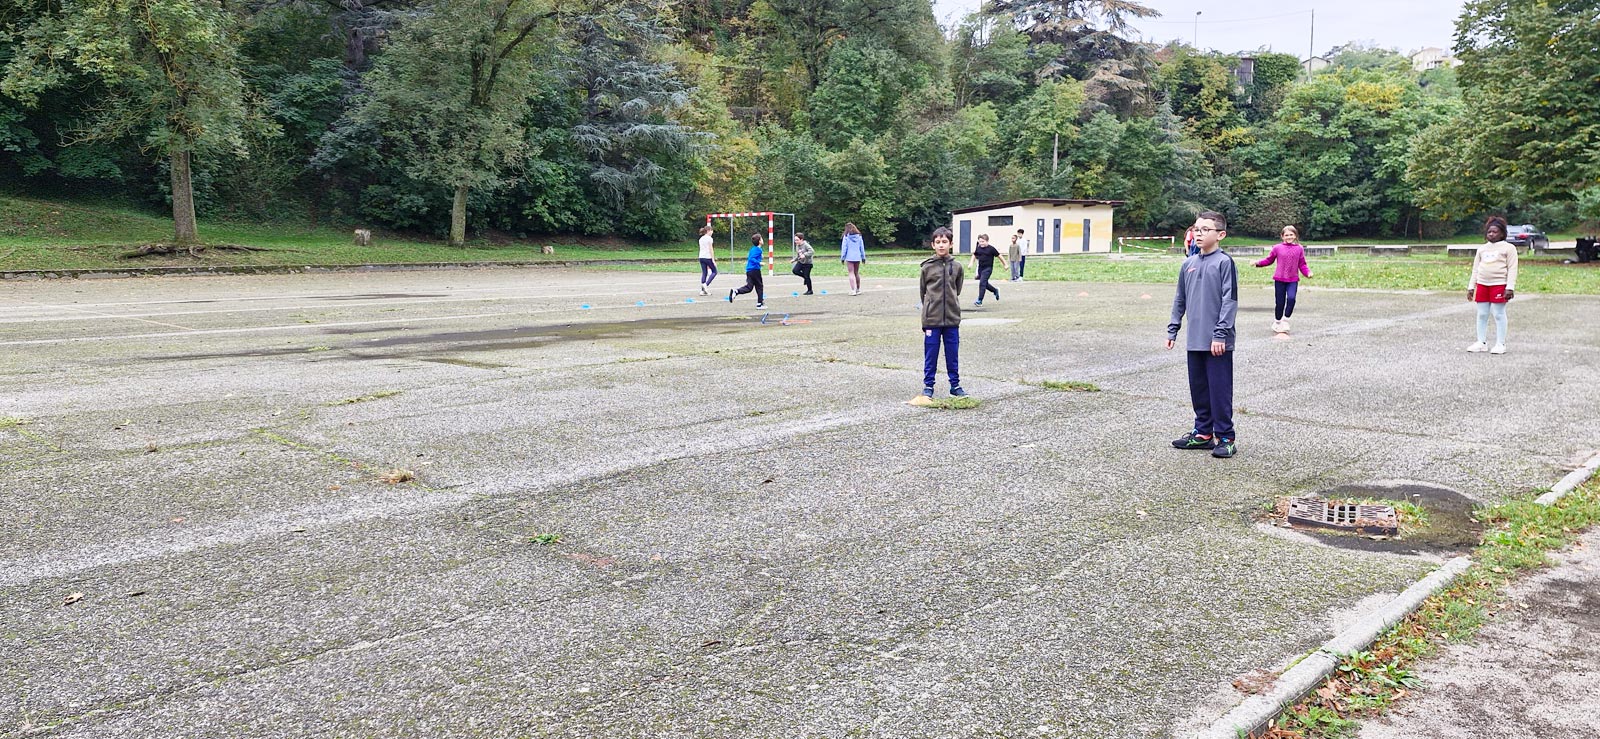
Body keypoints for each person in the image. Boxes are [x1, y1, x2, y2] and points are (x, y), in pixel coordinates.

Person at [1166, 210, 1239, 459]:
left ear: (1220, 235)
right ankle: (1203, 433)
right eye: (1196, 228)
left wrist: (1220, 334)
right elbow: (1180, 299)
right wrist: (1173, 328)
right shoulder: (1188, 264)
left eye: (1205, 229)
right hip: (1195, 340)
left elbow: (1229, 301)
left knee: (1219, 390)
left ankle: (1226, 437)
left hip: (1217, 342)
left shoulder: (1224, 262)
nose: (1199, 233)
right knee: (1198, 388)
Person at [920, 227, 966, 399]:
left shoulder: (957, 266)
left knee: (952, 353)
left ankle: (955, 385)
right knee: (931, 353)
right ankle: (928, 386)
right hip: (932, 319)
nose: (941, 245)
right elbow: (923, 292)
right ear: (933, 245)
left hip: (952, 319)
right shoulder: (926, 268)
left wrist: (951, 305)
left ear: (951, 244)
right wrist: (930, 308)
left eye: (944, 242)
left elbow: (957, 289)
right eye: (938, 242)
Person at [1467, 215, 1517, 354]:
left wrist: (1510, 287)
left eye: (1495, 232)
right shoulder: (1482, 249)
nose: (1491, 234)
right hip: (1482, 284)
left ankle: (1500, 344)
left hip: (1499, 284)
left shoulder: (1509, 248)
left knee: (1498, 313)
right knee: (1482, 314)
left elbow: (1512, 268)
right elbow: (1476, 269)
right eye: (1489, 232)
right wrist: (1471, 287)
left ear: (1502, 233)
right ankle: (1481, 342)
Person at [1254, 225, 1312, 333]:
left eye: (1291, 235)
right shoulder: (1277, 248)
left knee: (1291, 299)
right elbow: (1269, 260)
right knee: (1280, 302)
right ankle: (1277, 321)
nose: (1289, 237)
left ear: (1295, 236)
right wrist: (1258, 263)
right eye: (1286, 235)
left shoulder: (1299, 248)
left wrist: (1307, 272)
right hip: (1279, 279)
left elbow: (1302, 264)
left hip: (1293, 279)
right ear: (1282, 236)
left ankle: (1285, 320)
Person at [967, 233, 1006, 306]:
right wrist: (971, 263)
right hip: (980, 269)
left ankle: (979, 300)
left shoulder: (991, 249)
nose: (981, 243)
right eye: (980, 241)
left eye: (983, 241)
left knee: (982, 283)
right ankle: (995, 290)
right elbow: (974, 255)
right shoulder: (978, 248)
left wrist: (1005, 264)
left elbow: (999, 256)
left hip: (988, 269)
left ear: (987, 241)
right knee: (984, 283)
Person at [728, 233, 766, 309]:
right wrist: (759, 263)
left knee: (749, 287)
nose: (762, 240)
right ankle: (759, 304)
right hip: (755, 270)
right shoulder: (758, 250)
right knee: (759, 286)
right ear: (759, 241)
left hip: (749, 270)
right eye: (761, 238)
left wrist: (760, 258)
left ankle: (736, 291)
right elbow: (751, 258)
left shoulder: (753, 249)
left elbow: (752, 257)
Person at [841, 223, 866, 295]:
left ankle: (853, 290)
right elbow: (862, 248)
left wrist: (842, 258)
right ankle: (858, 289)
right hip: (857, 257)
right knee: (856, 273)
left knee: (851, 273)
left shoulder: (846, 237)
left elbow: (844, 248)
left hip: (849, 257)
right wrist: (863, 257)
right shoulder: (859, 237)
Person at [696, 225, 718, 295]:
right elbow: (711, 249)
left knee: (704, 273)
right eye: (711, 231)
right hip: (707, 257)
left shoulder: (701, 239)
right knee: (714, 271)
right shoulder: (709, 238)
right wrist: (713, 259)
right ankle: (705, 285)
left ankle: (703, 290)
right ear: (708, 231)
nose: (712, 233)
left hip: (701, 257)